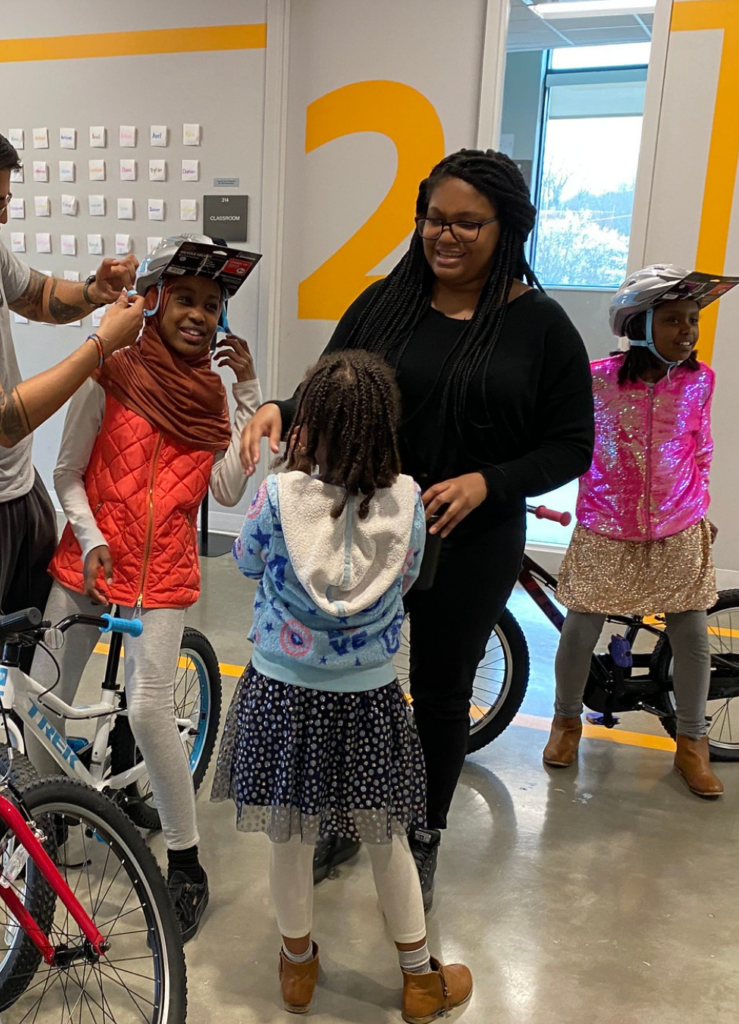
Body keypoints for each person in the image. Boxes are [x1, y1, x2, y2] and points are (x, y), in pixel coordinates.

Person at [239, 149, 594, 905]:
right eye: (435, 218)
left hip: (470, 537)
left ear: (508, 228)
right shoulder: (386, 302)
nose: (447, 235)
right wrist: (284, 408)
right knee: (347, 685)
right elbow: (332, 386)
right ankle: (346, 815)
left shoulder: (540, 327)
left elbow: (571, 444)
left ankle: (421, 831)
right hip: (359, 530)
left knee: (437, 692)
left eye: (468, 223)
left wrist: (488, 480)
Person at [213, 350, 472, 1021]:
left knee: (290, 839)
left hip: (281, 691)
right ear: (384, 425)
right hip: (367, 697)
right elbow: (410, 577)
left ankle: (297, 967)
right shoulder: (407, 501)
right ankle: (418, 978)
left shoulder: (278, 496)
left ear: (310, 423)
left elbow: (244, 561)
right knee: (383, 837)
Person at [27, 236, 263, 939]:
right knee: (41, 698)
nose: (197, 314)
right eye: (185, 299)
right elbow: (65, 472)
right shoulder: (113, 372)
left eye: (211, 305)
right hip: (89, 560)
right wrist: (93, 538)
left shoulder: (212, 398)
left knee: (148, 707)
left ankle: (186, 863)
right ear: (157, 302)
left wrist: (249, 396)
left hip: (161, 575)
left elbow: (223, 486)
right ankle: (42, 828)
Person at [0, 112, 143, 747]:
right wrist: (100, 347)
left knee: (31, 652)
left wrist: (94, 290)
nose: (2, 220)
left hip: (21, 493)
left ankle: (18, 797)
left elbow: (38, 296)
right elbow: (4, 419)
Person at [543, 264, 737, 799]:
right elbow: (571, 440)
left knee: (692, 636)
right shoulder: (594, 380)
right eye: (674, 319)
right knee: (580, 628)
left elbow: (701, 447)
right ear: (638, 326)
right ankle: (565, 722)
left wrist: (700, 505)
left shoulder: (701, 380)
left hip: (678, 525)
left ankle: (691, 743)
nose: (688, 331)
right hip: (607, 525)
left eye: (692, 320)